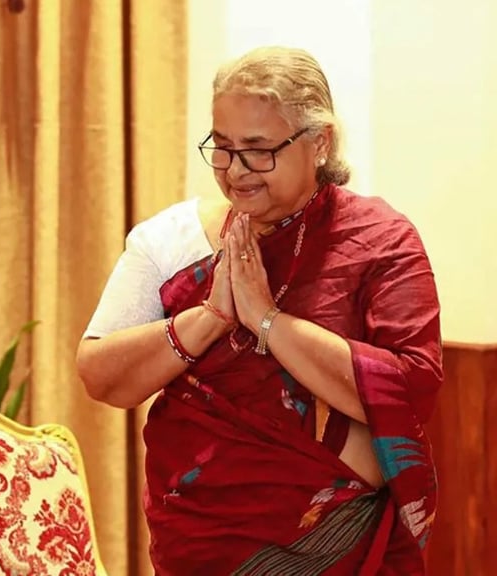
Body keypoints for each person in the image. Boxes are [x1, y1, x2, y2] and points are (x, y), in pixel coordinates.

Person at [77, 46, 442, 575]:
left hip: (334, 542)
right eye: (221, 148)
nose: (235, 171)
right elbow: (101, 378)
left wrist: (268, 320)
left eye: (258, 150)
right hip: (200, 543)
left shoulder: (381, 242)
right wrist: (211, 319)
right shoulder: (172, 239)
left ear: (319, 143)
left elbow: (412, 390)